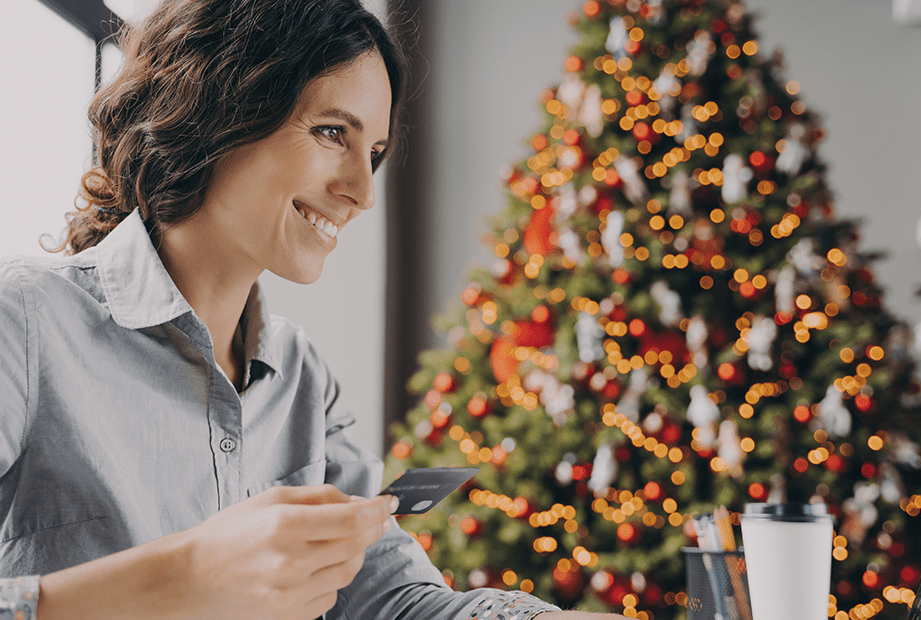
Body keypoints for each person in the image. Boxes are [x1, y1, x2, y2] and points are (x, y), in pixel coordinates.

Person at [0, 1, 625, 618]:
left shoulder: (301, 376)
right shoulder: (24, 321)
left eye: (373, 152)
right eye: (333, 133)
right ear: (216, 107)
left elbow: (390, 599)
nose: (362, 192)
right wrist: (182, 577)